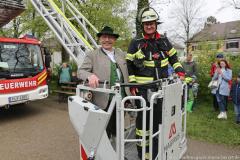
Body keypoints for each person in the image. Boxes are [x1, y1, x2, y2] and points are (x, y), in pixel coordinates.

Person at [126, 7, 185, 159]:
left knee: (159, 120)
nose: (149, 26)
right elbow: (129, 64)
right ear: (142, 26)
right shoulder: (135, 43)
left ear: (156, 24)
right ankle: (142, 154)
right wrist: (133, 84)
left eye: (152, 23)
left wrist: (180, 72)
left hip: (162, 90)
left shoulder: (164, 41)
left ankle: (156, 151)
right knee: (143, 123)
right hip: (143, 91)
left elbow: (174, 59)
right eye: (146, 24)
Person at [78, 26, 130, 139]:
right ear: (100, 39)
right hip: (102, 100)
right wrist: (90, 76)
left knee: (118, 127)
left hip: (121, 99)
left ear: (114, 40)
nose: (107, 40)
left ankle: (117, 152)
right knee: (103, 131)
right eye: (104, 37)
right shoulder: (92, 55)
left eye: (110, 37)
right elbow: (81, 71)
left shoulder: (121, 54)